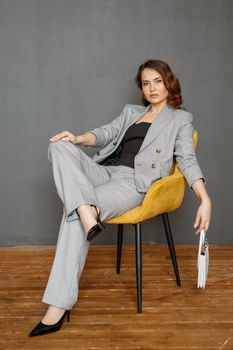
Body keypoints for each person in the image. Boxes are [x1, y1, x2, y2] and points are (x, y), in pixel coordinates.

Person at [29, 59, 212, 336]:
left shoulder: (180, 119)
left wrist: (204, 198)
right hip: (103, 172)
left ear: (168, 82)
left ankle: (57, 305)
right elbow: (105, 134)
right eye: (146, 83)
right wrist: (76, 138)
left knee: (74, 215)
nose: (152, 88)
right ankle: (86, 210)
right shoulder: (131, 112)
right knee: (59, 147)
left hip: (132, 183)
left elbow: (187, 159)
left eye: (157, 81)